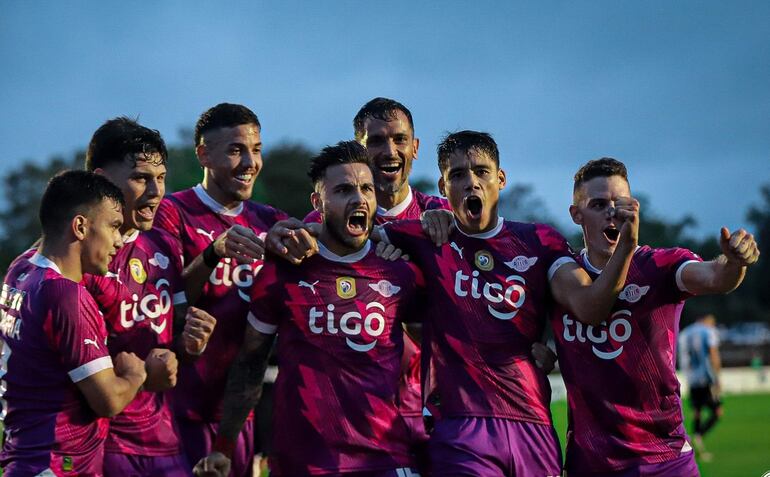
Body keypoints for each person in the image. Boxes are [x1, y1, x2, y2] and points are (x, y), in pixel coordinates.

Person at [381, 131, 639, 476]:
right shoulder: (426, 238)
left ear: (501, 179)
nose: (471, 182)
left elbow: (590, 307)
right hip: (460, 425)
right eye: (458, 175)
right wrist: (300, 236)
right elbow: (342, 240)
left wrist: (626, 248)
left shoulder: (539, 241)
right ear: (443, 187)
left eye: (481, 172)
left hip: (532, 424)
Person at [195, 141, 424, 477]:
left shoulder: (400, 272)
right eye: (343, 190)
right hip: (302, 462)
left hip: (385, 461)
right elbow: (250, 364)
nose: (359, 199)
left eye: (366, 189)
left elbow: (441, 350)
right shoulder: (284, 270)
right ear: (318, 202)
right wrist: (223, 447)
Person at [549, 158, 759, 476]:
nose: (612, 213)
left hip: (664, 458)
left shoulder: (659, 266)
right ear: (576, 214)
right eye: (598, 204)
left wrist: (734, 263)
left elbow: (715, 277)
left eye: (620, 204)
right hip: (591, 463)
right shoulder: (561, 276)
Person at [300, 98, 449, 468]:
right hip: (351, 419)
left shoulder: (443, 218)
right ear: (359, 149)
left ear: (416, 147)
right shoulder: (321, 225)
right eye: (377, 141)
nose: (390, 151)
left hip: (435, 413)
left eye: (400, 139)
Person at [154, 103, 291, 476]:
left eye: (256, 150)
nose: (250, 162)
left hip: (237, 415)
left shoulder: (270, 220)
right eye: (235, 150)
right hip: (176, 411)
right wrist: (212, 253)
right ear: (203, 154)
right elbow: (161, 299)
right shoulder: (172, 212)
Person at [83, 117, 217, 476]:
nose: (156, 192)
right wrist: (141, 375)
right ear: (101, 180)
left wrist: (192, 344)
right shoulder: (79, 259)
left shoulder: (165, 244)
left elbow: (172, 345)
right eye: (141, 178)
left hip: (163, 439)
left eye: (161, 178)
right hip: (102, 442)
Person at [0, 170, 147, 476]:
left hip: (26, 457)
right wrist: (137, 374)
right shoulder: (65, 294)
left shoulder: (21, 268)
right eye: (114, 226)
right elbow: (108, 400)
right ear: (80, 226)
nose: (119, 241)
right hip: (55, 464)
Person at [679, 313, 723, 461]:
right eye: (712, 322)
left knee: (696, 412)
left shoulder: (685, 333)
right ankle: (696, 438)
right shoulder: (708, 332)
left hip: (691, 379)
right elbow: (713, 354)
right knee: (717, 412)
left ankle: (695, 445)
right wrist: (717, 379)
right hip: (705, 378)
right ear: (706, 320)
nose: (713, 325)